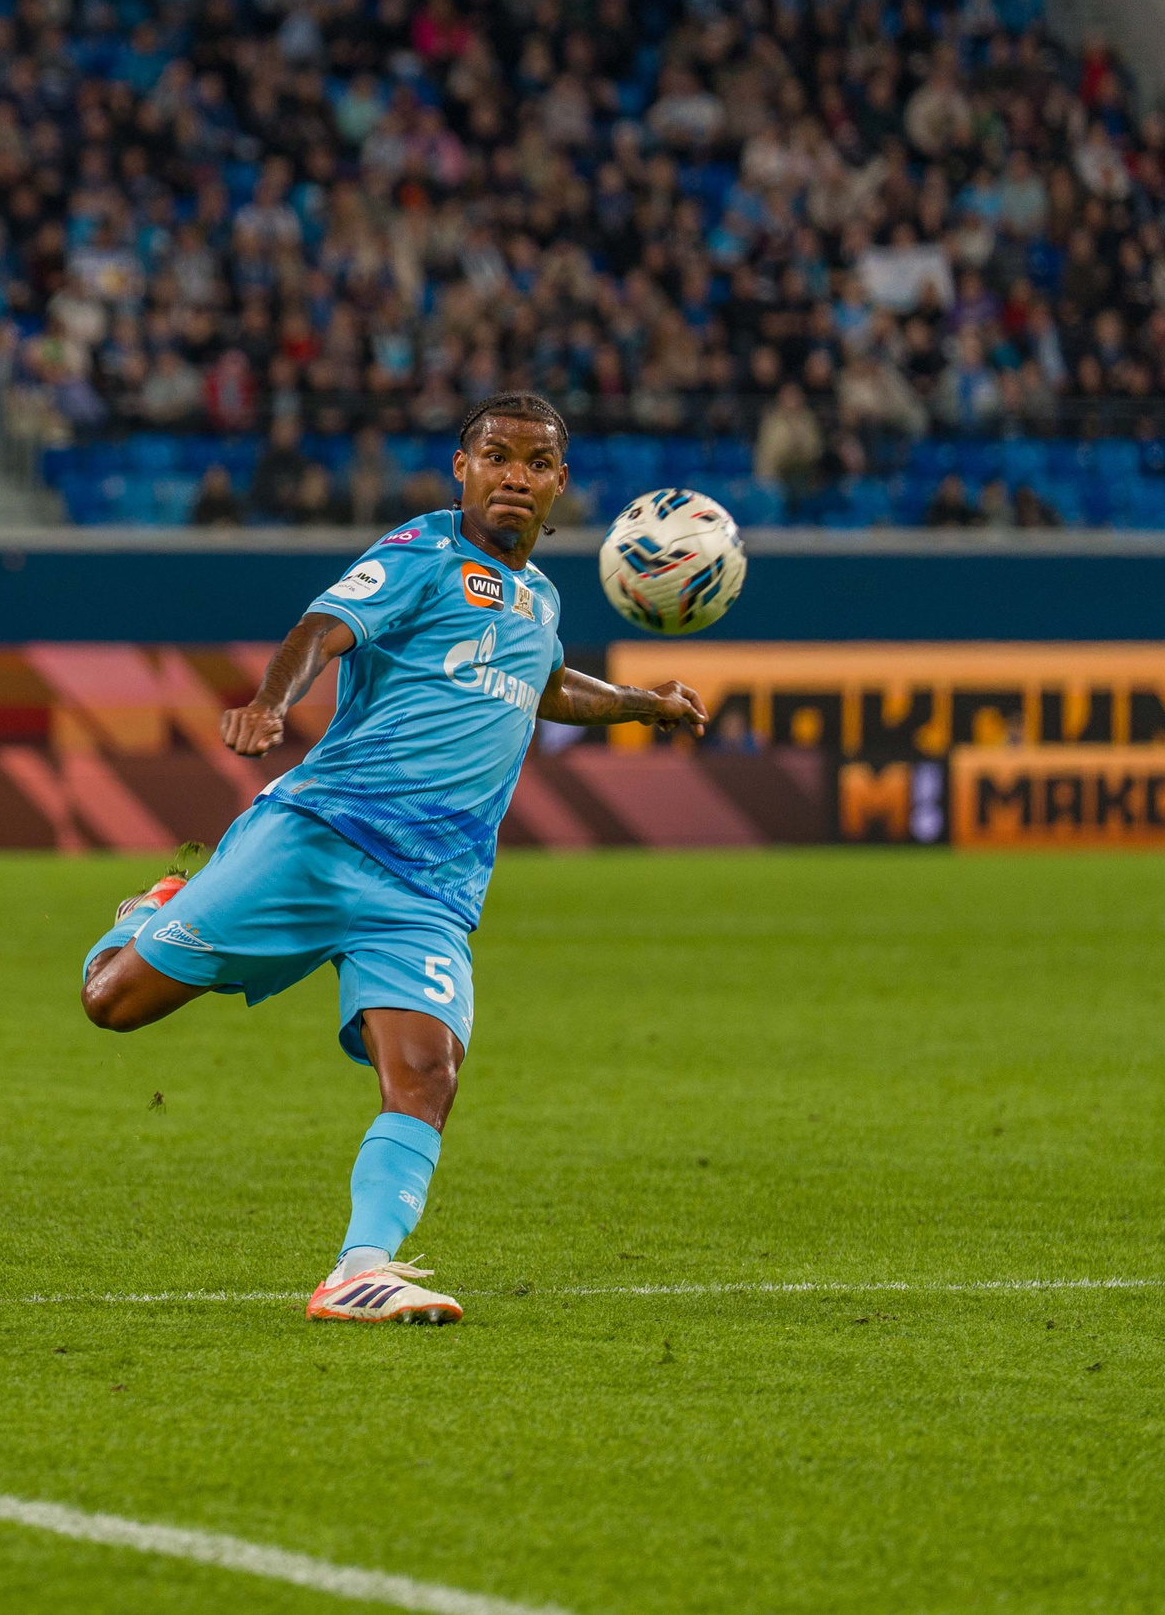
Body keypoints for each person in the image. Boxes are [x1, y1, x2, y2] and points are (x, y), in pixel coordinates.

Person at [74, 393, 707, 1325]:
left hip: (428, 888)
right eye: (497, 456)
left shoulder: (540, 598)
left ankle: (358, 1265)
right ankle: (155, 907)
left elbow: (542, 680)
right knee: (113, 1004)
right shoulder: (423, 552)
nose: (515, 476)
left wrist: (639, 704)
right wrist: (274, 700)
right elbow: (323, 627)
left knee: (427, 1069)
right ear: (464, 467)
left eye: (536, 463)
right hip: (320, 840)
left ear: (559, 484)